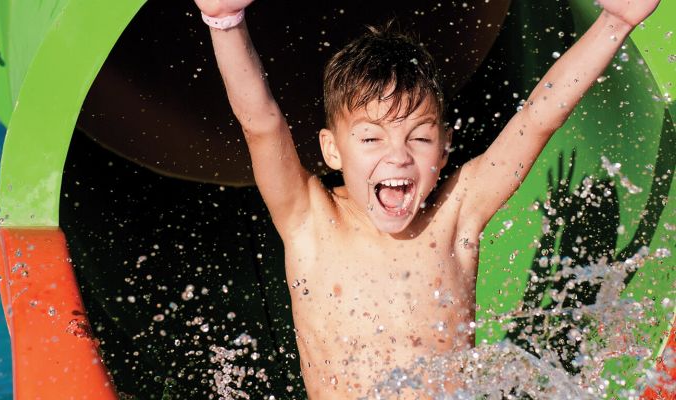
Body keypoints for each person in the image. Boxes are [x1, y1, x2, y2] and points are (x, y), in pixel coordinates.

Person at [192, 0, 662, 398]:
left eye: (418, 138)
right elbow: (262, 125)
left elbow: (538, 118)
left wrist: (615, 22)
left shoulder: (458, 215)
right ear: (332, 150)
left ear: (445, 146)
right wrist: (225, 22)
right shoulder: (309, 220)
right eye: (371, 139)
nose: (397, 157)